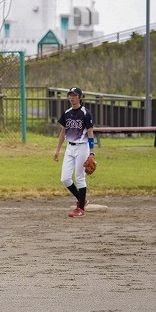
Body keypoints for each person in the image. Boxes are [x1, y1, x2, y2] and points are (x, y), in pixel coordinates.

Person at [53, 87, 95, 218]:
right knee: (65, 178)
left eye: (74, 95)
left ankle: (81, 209)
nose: (72, 98)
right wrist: (58, 150)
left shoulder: (85, 113)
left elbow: (90, 133)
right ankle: (82, 200)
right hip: (69, 148)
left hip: (82, 147)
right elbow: (63, 132)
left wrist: (91, 153)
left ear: (80, 97)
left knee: (79, 177)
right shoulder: (67, 113)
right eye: (70, 95)